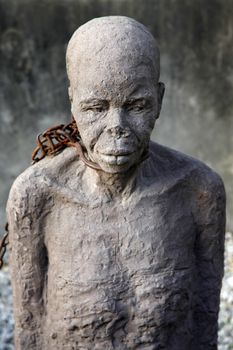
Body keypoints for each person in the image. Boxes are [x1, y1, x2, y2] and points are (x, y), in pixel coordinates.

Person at [7, 16, 225, 350]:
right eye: (95, 107)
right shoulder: (37, 196)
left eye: (137, 105)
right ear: (73, 102)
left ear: (159, 100)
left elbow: (204, 323)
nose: (117, 126)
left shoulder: (199, 190)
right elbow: (30, 328)